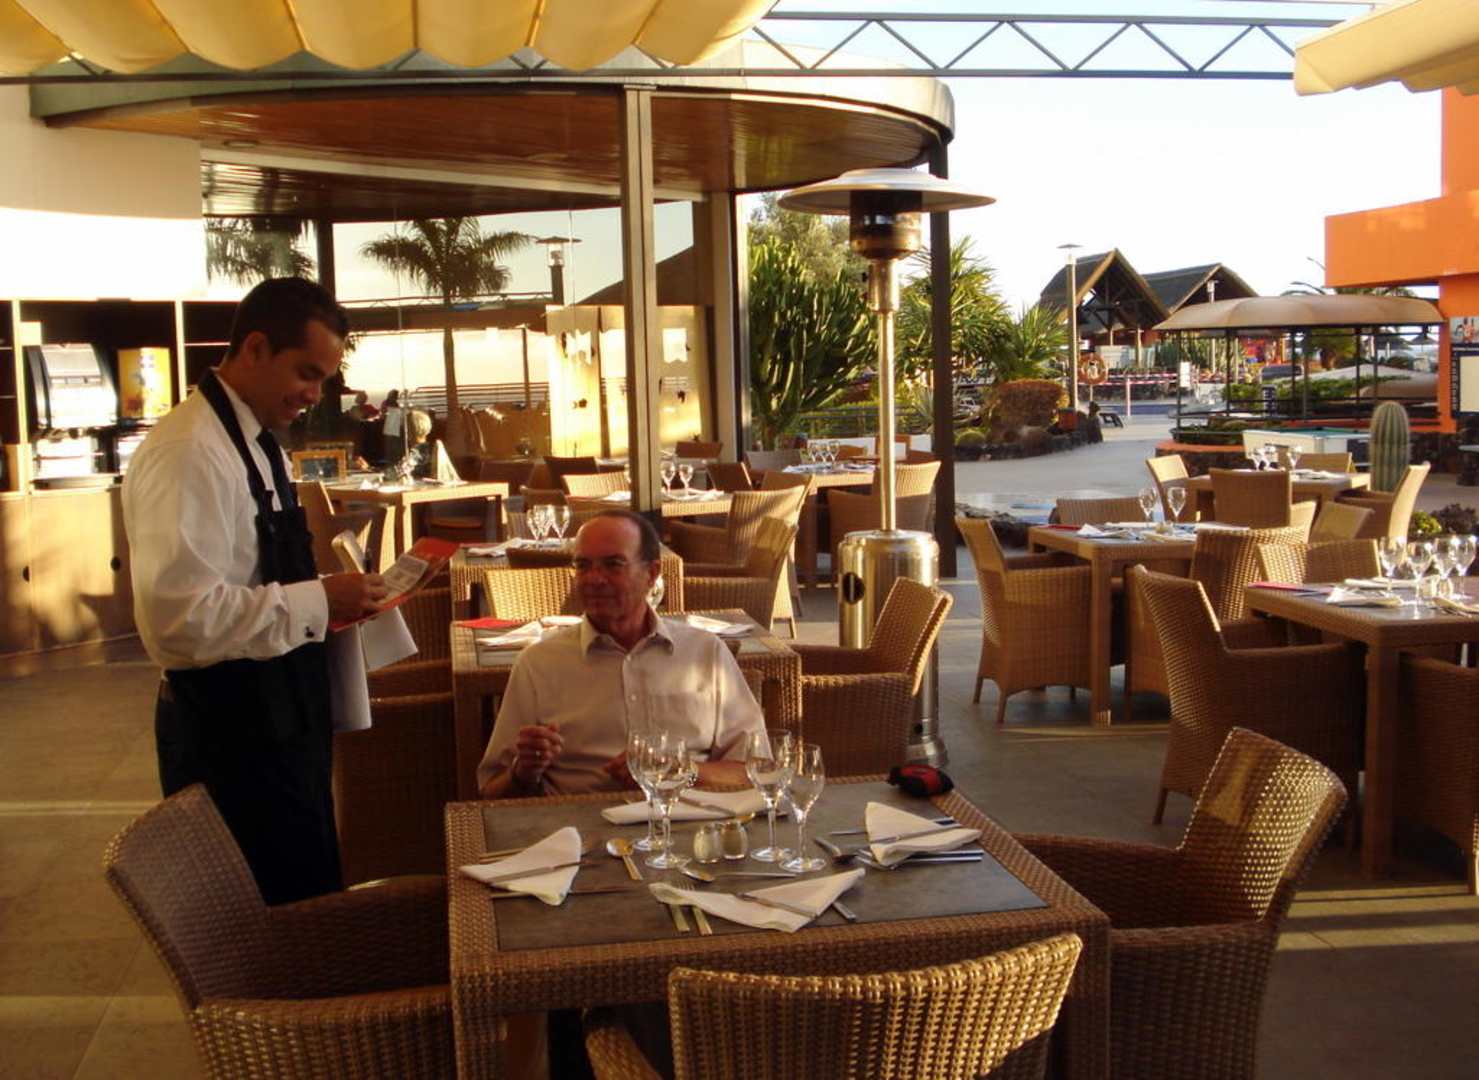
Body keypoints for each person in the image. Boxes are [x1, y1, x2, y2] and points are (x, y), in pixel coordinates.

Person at [122, 277, 387, 906]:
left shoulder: (255, 441)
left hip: (278, 726)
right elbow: (179, 621)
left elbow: (251, 582)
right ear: (255, 348)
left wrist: (337, 600)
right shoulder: (190, 451)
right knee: (260, 925)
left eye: (324, 379)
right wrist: (321, 601)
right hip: (229, 738)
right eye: (306, 373)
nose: (314, 395)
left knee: (305, 906)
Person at [477, 509, 764, 798]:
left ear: (652, 574)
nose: (595, 579)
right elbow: (490, 791)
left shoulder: (704, 653)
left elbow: (755, 770)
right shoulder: (539, 664)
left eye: (613, 565)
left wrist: (682, 771)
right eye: (583, 566)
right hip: (578, 819)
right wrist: (523, 771)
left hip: (689, 817)